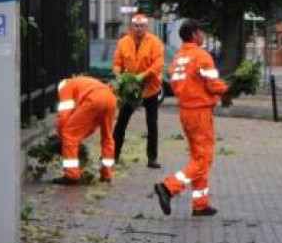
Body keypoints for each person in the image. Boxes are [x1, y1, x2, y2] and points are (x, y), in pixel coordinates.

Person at [154, 19, 229, 217]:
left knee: (197, 157)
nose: (204, 36)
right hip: (200, 112)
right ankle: (169, 187)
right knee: (203, 159)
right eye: (202, 32)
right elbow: (213, 85)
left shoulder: (179, 57)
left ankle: (200, 203)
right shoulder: (201, 56)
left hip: (186, 111)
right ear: (195, 34)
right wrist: (230, 89)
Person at [112, 13, 166, 168]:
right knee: (121, 122)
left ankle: (152, 158)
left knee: (152, 123)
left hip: (150, 88)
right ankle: (113, 155)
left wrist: (143, 75)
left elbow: (158, 64)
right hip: (130, 89)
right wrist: (119, 76)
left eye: (142, 26)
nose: (138, 29)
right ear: (131, 26)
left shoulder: (155, 42)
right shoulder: (123, 42)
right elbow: (117, 63)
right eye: (136, 25)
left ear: (146, 27)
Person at [54, 75, 117, 185]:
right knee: (107, 136)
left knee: (69, 134)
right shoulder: (81, 82)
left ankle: (71, 175)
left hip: (94, 99)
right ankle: (107, 174)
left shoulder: (65, 87)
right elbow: (89, 125)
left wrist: (61, 136)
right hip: (110, 98)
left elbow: (64, 117)